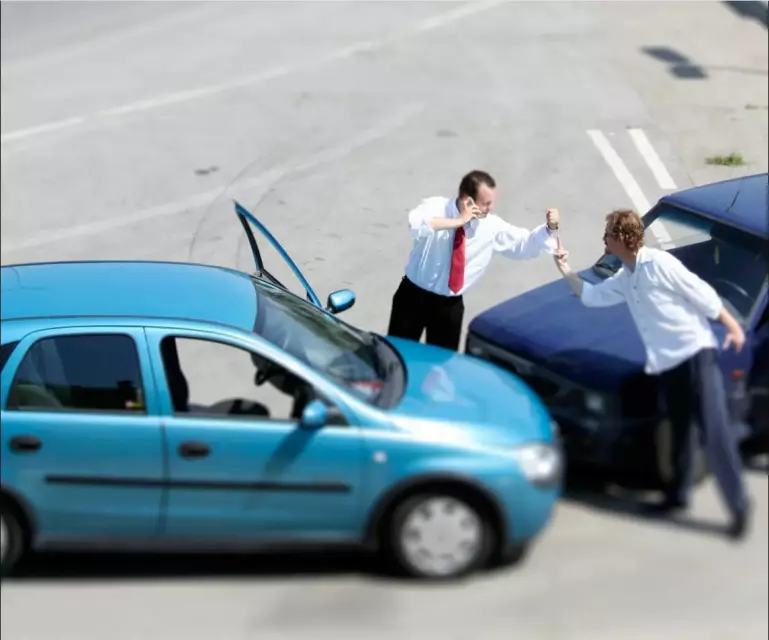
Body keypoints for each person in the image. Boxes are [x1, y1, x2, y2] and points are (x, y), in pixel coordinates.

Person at [553, 208, 752, 539]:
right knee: (681, 433)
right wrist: (565, 270)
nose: (603, 240)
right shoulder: (627, 276)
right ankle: (677, 496)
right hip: (669, 363)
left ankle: (740, 506)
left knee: (714, 433)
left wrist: (732, 326)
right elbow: (592, 297)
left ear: (622, 239)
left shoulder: (659, 264)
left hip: (695, 356)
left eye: (607, 235)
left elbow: (701, 294)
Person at [386, 169, 560, 351]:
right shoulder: (435, 207)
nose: (490, 208)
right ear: (467, 200)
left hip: (448, 306)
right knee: (395, 355)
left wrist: (549, 227)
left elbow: (525, 245)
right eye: (486, 203)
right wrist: (458, 221)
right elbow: (416, 225)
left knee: (441, 367)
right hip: (412, 297)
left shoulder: (491, 226)